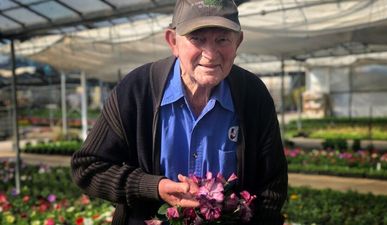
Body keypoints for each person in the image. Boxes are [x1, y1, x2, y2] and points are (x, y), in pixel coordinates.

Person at [71, 0, 288, 224]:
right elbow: (87, 167)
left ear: (238, 42)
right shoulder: (137, 90)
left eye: (222, 39)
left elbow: (272, 186)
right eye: (197, 38)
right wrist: (153, 187)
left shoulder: (253, 95)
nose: (211, 54)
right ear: (173, 42)